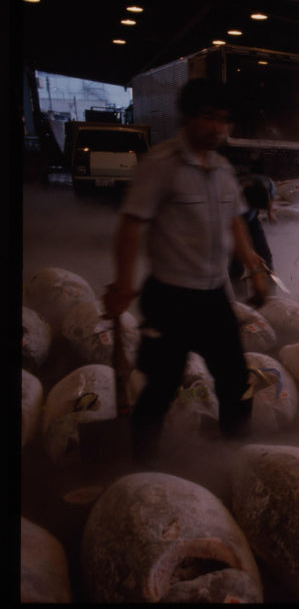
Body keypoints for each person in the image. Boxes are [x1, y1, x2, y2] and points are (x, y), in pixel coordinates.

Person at [103, 78, 270, 466]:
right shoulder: (161, 165)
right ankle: (141, 468)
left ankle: (236, 462)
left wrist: (254, 267)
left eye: (225, 120)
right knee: (159, 389)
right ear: (188, 116)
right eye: (209, 118)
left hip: (214, 296)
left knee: (235, 383)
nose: (217, 128)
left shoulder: (224, 169)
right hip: (170, 298)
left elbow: (236, 223)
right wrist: (124, 286)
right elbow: (131, 225)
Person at [229, 174, 277, 302]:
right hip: (235, 222)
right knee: (236, 260)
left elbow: (271, 199)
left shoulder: (269, 184)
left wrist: (270, 213)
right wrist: (249, 252)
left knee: (266, 256)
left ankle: (271, 292)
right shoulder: (233, 194)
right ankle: (239, 295)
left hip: (253, 221)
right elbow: (234, 229)